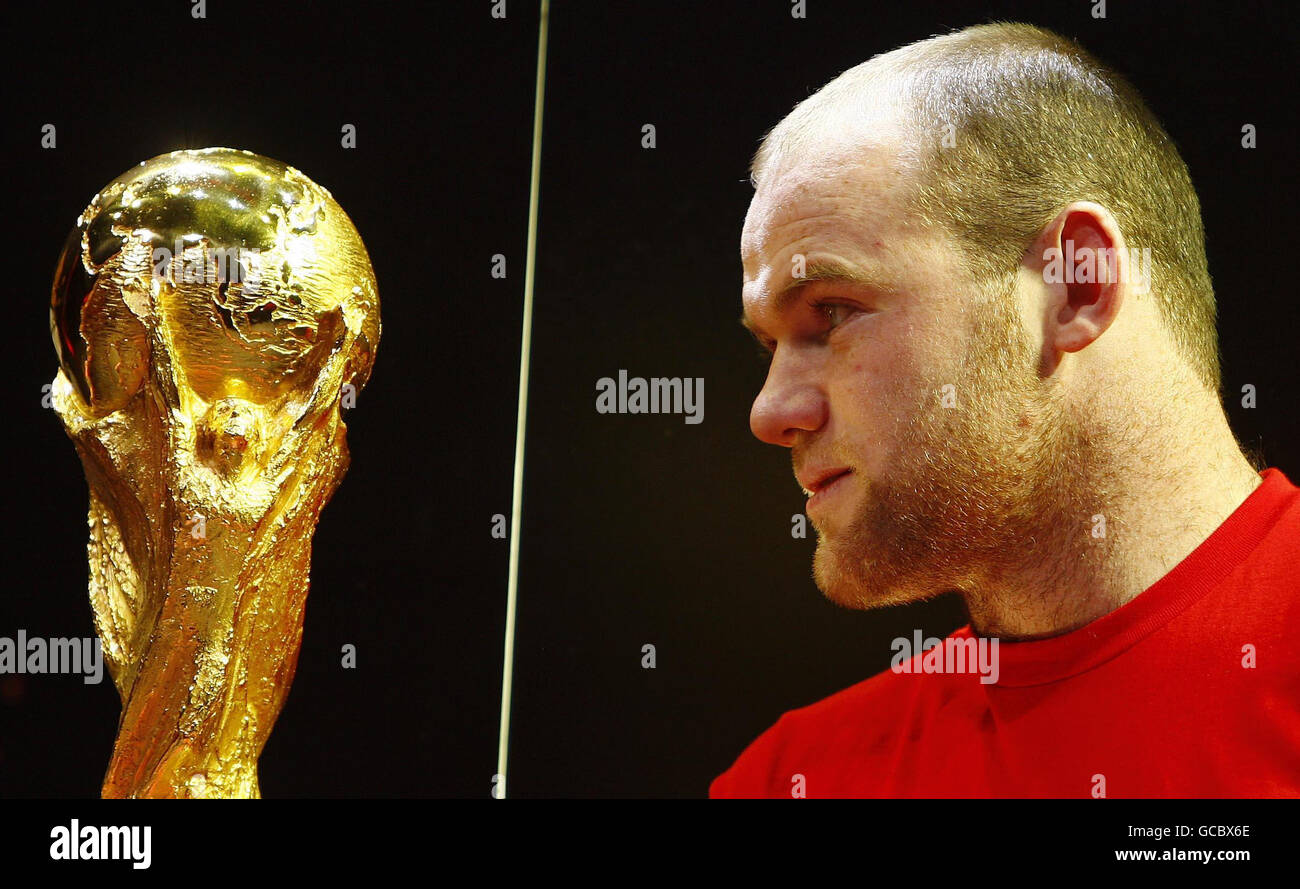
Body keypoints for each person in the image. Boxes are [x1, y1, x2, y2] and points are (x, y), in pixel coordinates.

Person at [713, 22, 1299, 798]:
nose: (768, 411)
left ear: (1076, 286)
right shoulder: (793, 777)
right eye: (770, 346)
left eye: (832, 311)